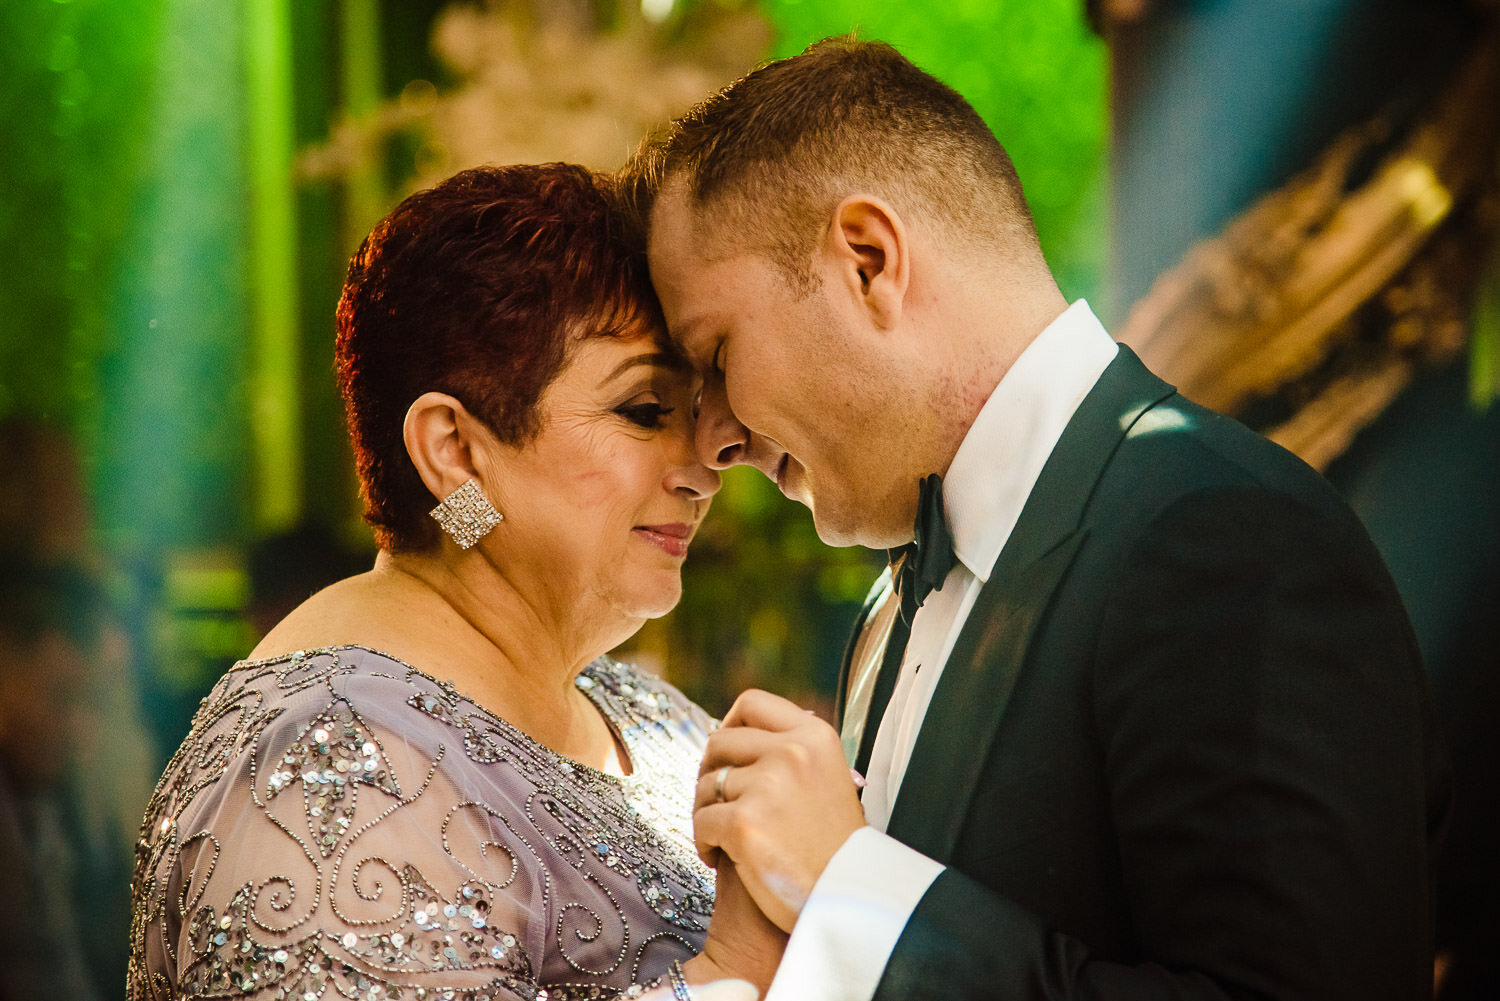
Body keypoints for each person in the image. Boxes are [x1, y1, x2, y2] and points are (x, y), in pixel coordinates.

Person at [626, 37, 1449, 1001]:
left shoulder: (1229, 537)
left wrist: (850, 891)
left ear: (868, 259)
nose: (715, 437)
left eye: (717, 354)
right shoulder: (894, 603)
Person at [128, 164, 781, 1000]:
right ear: (456, 452)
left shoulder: (636, 711)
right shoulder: (331, 767)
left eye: (696, 413)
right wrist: (738, 972)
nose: (703, 466)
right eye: (646, 411)